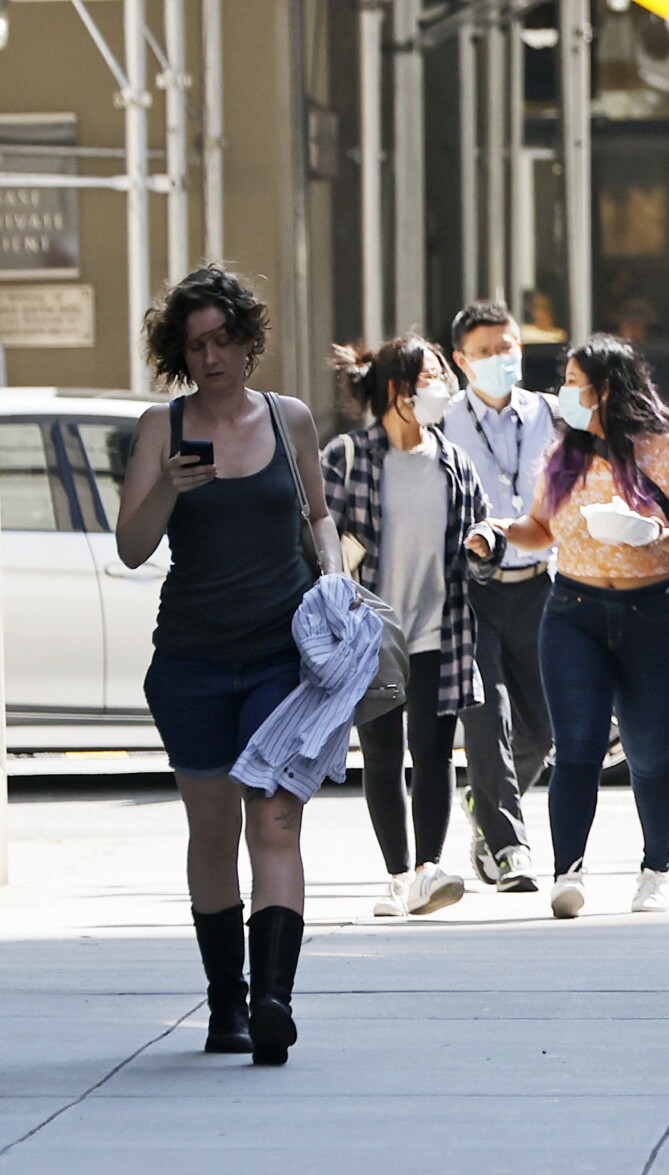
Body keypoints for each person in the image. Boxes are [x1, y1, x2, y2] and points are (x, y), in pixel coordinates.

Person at [116, 266, 342, 1065]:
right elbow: (132, 545)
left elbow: (318, 514)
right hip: (193, 661)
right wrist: (168, 490)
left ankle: (274, 999)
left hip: (284, 660)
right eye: (196, 345)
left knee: (275, 820)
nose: (212, 357)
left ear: (249, 340)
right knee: (212, 829)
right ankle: (227, 1004)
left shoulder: (290, 420)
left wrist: (337, 573)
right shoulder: (161, 427)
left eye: (223, 340)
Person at [472, 336, 669, 920]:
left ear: (606, 389)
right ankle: (569, 873)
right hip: (573, 615)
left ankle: (655, 871)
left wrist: (657, 537)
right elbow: (541, 528)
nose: (563, 391)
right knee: (577, 750)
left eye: (572, 380)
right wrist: (501, 530)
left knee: (650, 755)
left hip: (653, 615)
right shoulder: (564, 454)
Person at [325, 337, 490, 920]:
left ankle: (428, 871)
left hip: (439, 630)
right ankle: (397, 877)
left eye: (441, 375)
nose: (439, 387)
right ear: (397, 390)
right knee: (383, 754)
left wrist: (484, 544)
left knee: (436, 751)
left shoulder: (454, 461)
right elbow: (315, 536)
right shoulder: (348, 457)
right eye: (429, 377)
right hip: (371, 633)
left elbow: (481, 533)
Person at [442, 300, 559, 894]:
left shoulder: (554, 417)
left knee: (546, 727)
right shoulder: (443, 423)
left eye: (508, 347)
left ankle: (482, 806)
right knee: (488, 723)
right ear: (462, 361)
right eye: (486, 352)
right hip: (472, 592)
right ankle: (511, 848)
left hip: (541, 587)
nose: (501, 359)